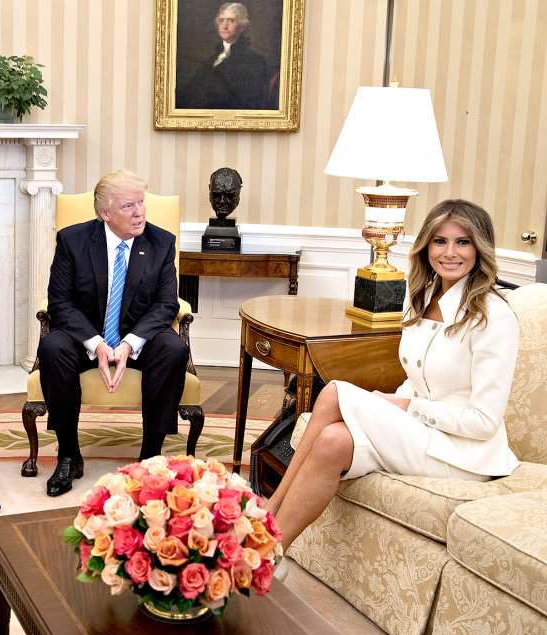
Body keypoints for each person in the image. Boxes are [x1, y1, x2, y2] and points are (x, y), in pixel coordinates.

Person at [267, 200, 519, 561]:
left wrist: (405, 407)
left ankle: (268, 514)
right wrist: (393, 403)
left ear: (480, 248)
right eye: (439, 241)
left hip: (464, 453)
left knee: (335, 391)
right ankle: (271, 554)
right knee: (331, 442)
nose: (450, 253)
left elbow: (483, 423)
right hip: (423, 435)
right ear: (426, 247)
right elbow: (417, 380)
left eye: (462, 242)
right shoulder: (423, 297)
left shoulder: (493, 317)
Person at [38, 170, 188, 497]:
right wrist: (96, 343)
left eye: (141, 203)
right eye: (128, 206)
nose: (139, 213)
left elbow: (166, 304)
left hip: (137, 336)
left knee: (173, 348)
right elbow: (59, 302)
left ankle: (150, 456)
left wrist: (130, 344)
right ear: (105, 214)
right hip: (86, 337)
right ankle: (68, 454)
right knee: (52, 347)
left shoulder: (161, 243)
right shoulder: (72, 241)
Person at [175, 2, 271, 110]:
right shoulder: (211, 60)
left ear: (242, 26)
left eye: (231, 20)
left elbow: (248, 103)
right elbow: (190, 92)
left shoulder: (255, 62)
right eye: (221, 20)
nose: (225, 26)